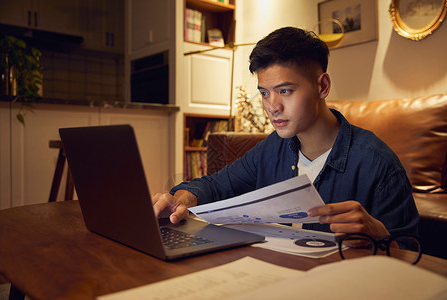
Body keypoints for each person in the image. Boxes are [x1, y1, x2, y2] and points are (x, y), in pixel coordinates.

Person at [153, 27, 419, 238]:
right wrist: (181, 197)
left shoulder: (378, 164)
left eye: (285, 91)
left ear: (322, 86)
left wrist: (379, 235)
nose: (273, 107)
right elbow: (218, 184)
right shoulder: (274, 148)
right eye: (265, 93)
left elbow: (410, 254)